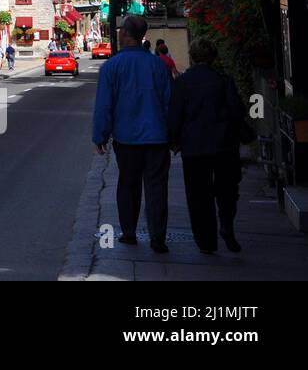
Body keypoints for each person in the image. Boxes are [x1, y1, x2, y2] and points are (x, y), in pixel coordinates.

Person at [92, 15, 173, 253]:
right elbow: (169, 102)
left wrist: (100, 135)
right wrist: (172, 133)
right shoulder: (158, 65)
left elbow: (104, 105)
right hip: (157, 136)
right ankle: (158, 236)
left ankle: (129, 232)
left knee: (128, 184)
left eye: (120, 30)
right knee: (157, 187)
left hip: (127, 138)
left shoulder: (112, 67)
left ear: (126, 34)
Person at [168, 38, 247, 254]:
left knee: (198, 195)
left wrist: (173, 140)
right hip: (224, 145)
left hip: (194, 148)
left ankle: (206, 241)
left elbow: (175, 115)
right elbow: (236, 111)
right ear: (213, 57)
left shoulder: (182, 83)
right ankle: (226, 224)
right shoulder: (224, 80)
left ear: (192, 57)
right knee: (227, 190)